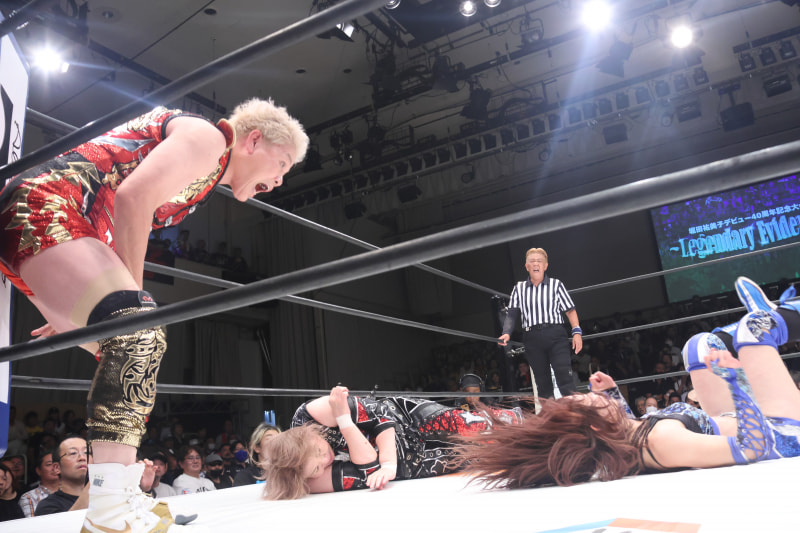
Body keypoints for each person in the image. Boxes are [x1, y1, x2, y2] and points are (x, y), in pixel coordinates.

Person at [0, 98, 307, 530]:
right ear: (253, 140)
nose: (279, 180)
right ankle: (109, 510)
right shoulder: (209, 139)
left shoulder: (208, 170)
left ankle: (116, 492)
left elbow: (115, 203)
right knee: (137, 336)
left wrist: (91, 293)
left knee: (124, 356)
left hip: (64, 222)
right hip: (47, 204)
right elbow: (132, 199)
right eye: (283, 163)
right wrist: (130, 303)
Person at [456, 278, 800, 489]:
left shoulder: (630, 440)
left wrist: (613, 395)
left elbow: (632, 425)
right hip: (781, 433)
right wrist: (736, 381)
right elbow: (752, 448)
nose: (588, 395)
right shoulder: (662, 442)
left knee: (697, 347)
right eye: (587, 401)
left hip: (736, 419)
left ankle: (773, 315)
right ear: (595, 425)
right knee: (754, 330)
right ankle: (782, 313)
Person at [262, 386, 523, 500]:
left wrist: (385, 463)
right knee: (475, 455)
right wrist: (344, 421)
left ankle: (527, 420)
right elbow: (367, 473)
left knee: (472, 425)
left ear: (307, 435)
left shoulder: (310, 415)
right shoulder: (303, 478)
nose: (325, 461)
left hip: (405, 419)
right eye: (318, 468)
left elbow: (381, 416)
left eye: (319, 451)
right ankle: (531, 447)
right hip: (410, 466)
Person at [498, 248, 583, 399]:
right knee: (543, 384)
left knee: (565, 377)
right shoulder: (519, 288)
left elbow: (570, 310)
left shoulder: (556, 285)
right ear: (527, 266)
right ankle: (551, 414)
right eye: (532, 261)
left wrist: (576, 332)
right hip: (532, 337)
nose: (536, 264)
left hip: (556, 334)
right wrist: (506, 332)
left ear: (545, 266)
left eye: (539, 261)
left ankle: (574, 413)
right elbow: (512, 313)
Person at [35, 437, 88, 516]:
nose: (82, 458)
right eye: (73, 453)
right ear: (57, 468)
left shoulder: (103, 497)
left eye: (86, 452)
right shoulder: (48, 506)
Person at [19, 450, 60, 518]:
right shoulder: (29, 497)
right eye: (49, 464)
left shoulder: (72, 490)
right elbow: (32, 523)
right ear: (38, 471)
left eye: (57, 464)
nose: (54, 468)